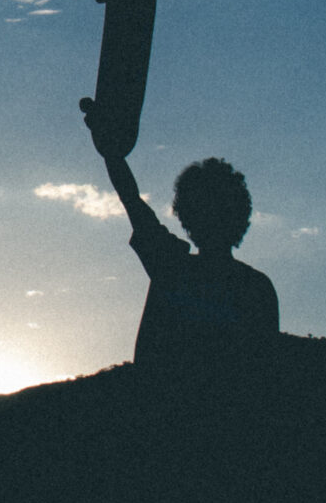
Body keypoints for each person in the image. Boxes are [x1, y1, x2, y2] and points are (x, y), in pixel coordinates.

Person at [89, 123, 280, 373]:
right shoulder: (256, 287)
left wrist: (112, 155)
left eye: (214, 210)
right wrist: (112, 156)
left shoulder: (173, 268)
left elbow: (133, 203)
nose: (210, 218)